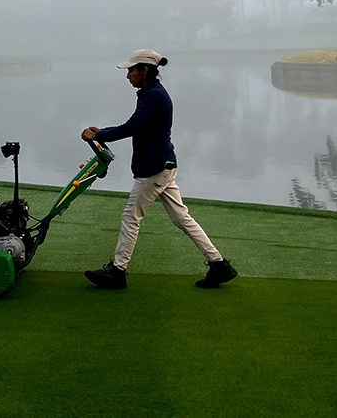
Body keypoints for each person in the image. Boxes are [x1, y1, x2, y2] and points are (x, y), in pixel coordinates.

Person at [80, 49, 236, 290]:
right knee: (181, 218)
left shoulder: (153, 95)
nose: (128, 75)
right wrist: (102, 131)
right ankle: (219, 264)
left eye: (131, 70)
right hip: (163, 165)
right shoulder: (151, 93)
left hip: (153, 169)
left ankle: (118, 271)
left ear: (144, 71)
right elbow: (137, 125)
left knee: (131, 216)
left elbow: (133, 126)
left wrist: (99, 134)